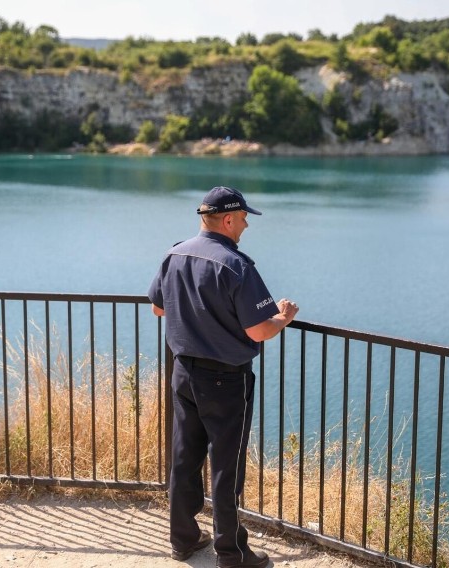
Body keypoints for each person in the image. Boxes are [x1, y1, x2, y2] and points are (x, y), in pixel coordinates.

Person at [148, 186, 299, 568]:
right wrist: (282, 317)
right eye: (245, 217)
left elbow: (158, 309)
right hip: (225, 380)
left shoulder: (175, 253)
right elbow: (258, 331)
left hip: (183, 372)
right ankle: (232, 553)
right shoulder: (236, 266)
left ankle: (183, 539)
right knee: (226, 466)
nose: (247, 223)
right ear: (228, 219)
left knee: (184, 458)